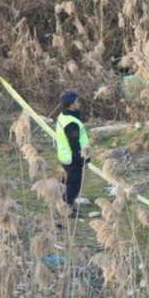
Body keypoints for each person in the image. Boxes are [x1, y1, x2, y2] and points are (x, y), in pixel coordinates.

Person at [55, 90, 91, 218]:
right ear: (71, 104)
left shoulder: (64, 116)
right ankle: (67, 209)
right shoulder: (71, 123)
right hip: (72, 158)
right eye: (77, 101)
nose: (79, 103)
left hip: (65, 156)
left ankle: (62, 201)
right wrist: (82, 161)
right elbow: (74, 144)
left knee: (67, 182)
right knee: (73, 184)